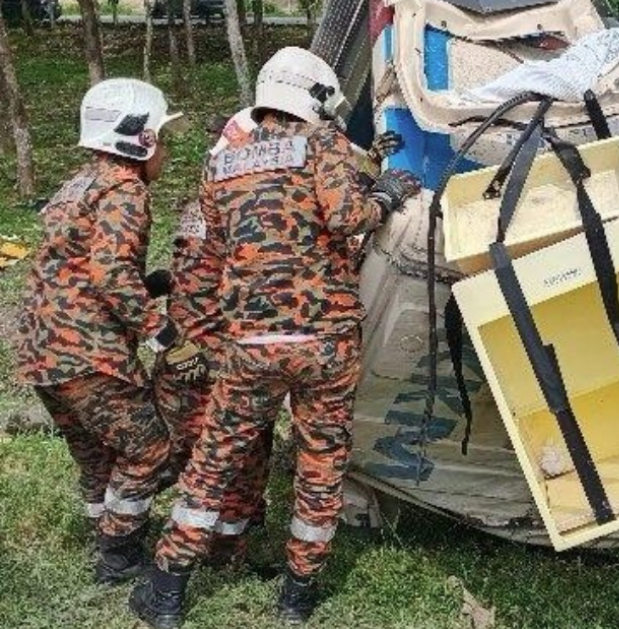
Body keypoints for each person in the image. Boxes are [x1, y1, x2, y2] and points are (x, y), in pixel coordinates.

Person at [130, 47, 419, 628]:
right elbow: (346, 217)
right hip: (326, 344)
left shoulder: (223, 165)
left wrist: (197, 339)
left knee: (214, 461)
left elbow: (206, 265)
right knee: (320, 461)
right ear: (314, 98)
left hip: (251, 347)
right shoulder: (324, 144)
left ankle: (165, 589)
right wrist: (387, 193)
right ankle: (298, 594)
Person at [15, 78, 205, 584]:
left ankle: (105, 532)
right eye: (162, 139)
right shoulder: (126, 188)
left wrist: (151, 283)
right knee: (149, 449)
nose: (165, 151)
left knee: (96, 453)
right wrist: (164, 335)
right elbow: (109, 274)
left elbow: (75, 269)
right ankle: (119, 552)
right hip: (86, 353)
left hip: (41, 349)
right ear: (137, 139)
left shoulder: (79, 182)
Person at [150, 108, 274, 567]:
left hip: (193, 355)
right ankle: (221, 551)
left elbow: (191, 280)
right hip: (209, 362)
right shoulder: (231, 206)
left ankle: (232, 529)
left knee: (229, 454)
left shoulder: (207, 201)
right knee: (231, 461)